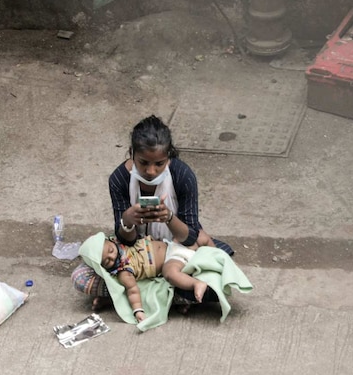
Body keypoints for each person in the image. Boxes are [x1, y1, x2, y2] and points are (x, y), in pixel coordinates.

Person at [71, 114, 234, 309]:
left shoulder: (183, 176)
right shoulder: (119, 179)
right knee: (81, 277)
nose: (151, 171)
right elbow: (125, 240)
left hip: (176, 253)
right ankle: (168, 295)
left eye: (159, 164)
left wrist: (169, 218)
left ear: (169, 157)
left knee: (221, 261)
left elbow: (190, 236)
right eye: (143, 163)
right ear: (132, 153)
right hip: (135, 258)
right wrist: (128, 221)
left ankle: (126, 294)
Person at [100, 235, 207, 323]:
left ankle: (216, 253)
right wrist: (138, 311)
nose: (112, 257)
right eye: (107, 262)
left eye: (111, 250)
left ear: (112, 241)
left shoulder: (121, 241)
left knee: (197, 235)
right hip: (172, 260)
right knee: (170, 273)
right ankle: (196, 284)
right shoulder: (123, 272)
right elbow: (132, 291)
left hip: (172, 244)